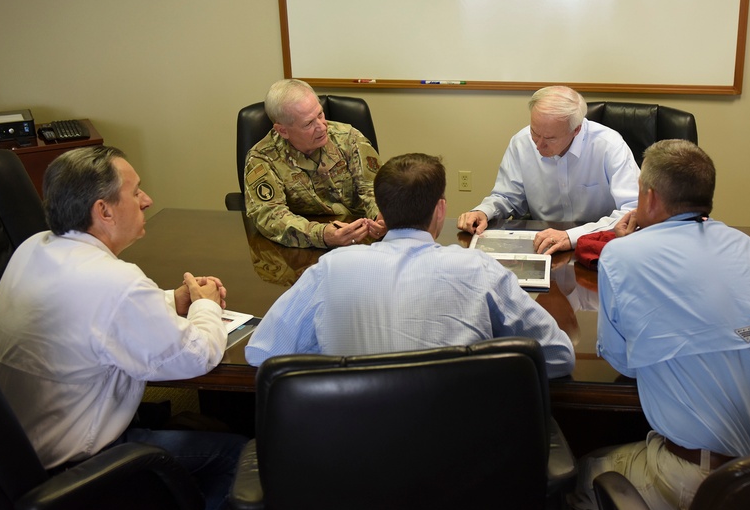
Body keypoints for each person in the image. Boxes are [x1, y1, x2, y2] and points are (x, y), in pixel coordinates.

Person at [0, 146, 245, 510]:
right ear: (103, 210)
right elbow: (197, 356)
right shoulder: (115, 282)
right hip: (72, 467)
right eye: (136, 192)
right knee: (241, 457)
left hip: (9, 462)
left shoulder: (34, 248)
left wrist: (171, 300)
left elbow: (100, 309)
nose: (147, 200)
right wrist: (205, 305)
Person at [569, 140, 750, 510]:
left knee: (585, 474)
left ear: (648, 197)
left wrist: (628, 245)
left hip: (708, 479)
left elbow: (623, 362)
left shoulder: (622, 255)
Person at [246, 153, 575, 378]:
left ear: (382, 213)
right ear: (440, 211)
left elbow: (261, 353)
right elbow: (559, 356)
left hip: (351, 460)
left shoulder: (331, 270)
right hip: (460, 460)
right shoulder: (478, 269)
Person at [457, 85, 639, 255]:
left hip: (597, 245)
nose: (538, 144)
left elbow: (633, 211)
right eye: (534, 132)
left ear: (576, 130)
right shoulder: (521, 142)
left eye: (550, 138)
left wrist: (571, 236)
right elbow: (507, 197)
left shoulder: (609, 146)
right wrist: (484, 212)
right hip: (541, 244)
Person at [244, 78, 385, 249]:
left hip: (362, 237)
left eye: (320, 114)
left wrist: (381, 216)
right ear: (282, 130)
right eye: (309, 123)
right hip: (302, 249)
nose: (322, 126)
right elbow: (270, 215)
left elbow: (374, 187)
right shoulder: (262, 158)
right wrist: (322, 235)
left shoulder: (349, 138)